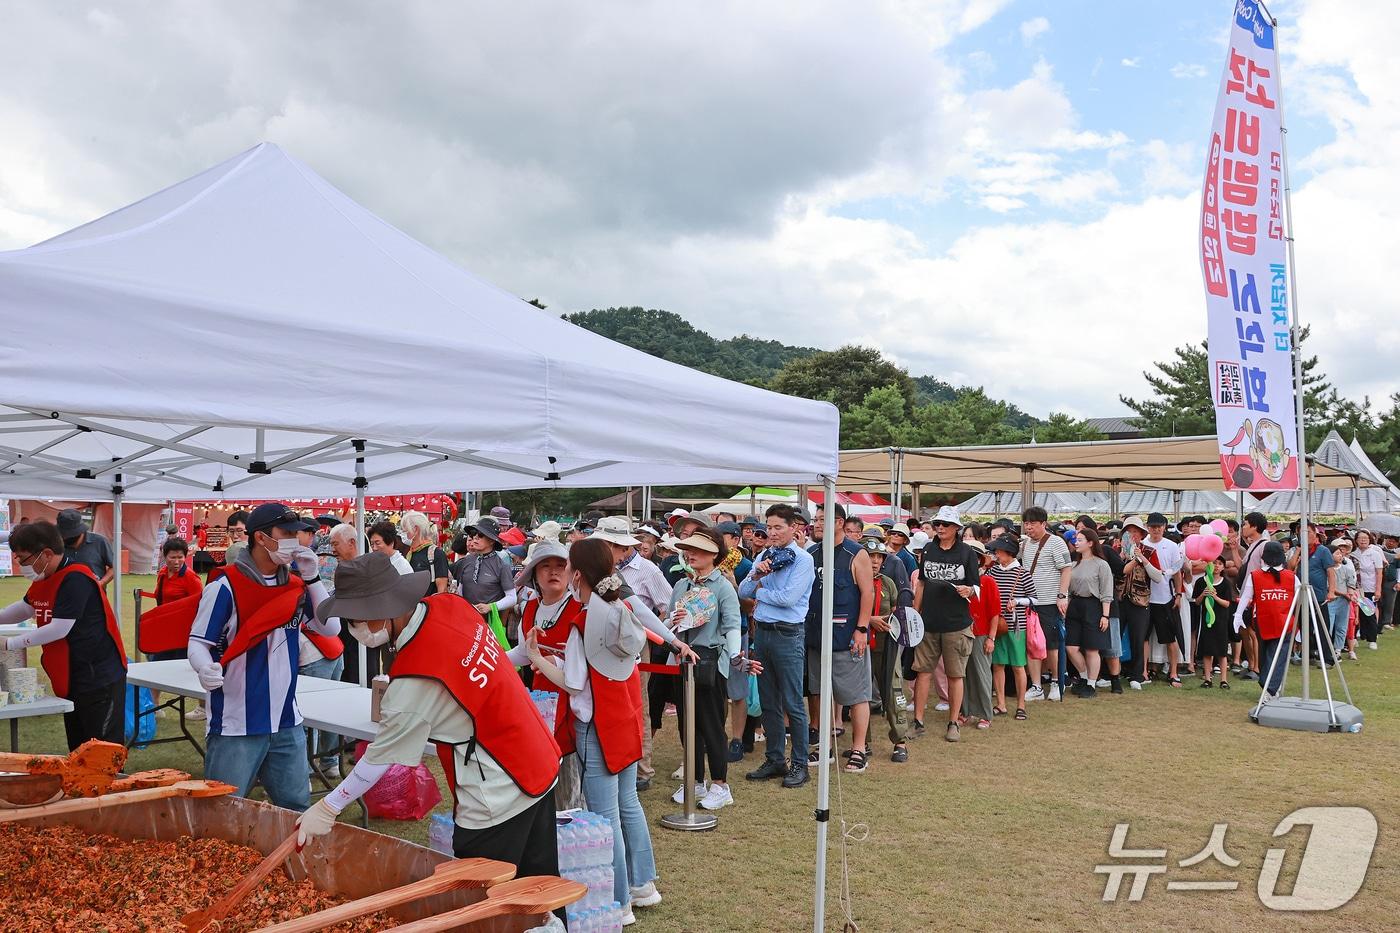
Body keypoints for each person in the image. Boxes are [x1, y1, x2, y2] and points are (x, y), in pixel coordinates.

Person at [296, 553, 562, 885]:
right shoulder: (452, 605)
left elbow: (380, 757)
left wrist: (329, 806)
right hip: (537, 758)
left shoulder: (415, 679)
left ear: (382, 611)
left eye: (355, 620)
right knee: (538, 885)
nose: (354, 630)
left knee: (482, 900)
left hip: (499, 787)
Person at [525, 538, 661, 921]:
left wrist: (536, 656)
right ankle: (642, 884)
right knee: (627, 803)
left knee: (605, 815)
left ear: (578, 574)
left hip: (596, 724)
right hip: (626, 717)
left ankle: (620, 901)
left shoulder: (583, 621)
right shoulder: (620, 607)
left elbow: (572, 682)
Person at [188, 504, 337, 808]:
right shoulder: (225, 586)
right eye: (287, 534)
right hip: (236, 723)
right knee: (222, 810)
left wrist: (312, 578)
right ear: (261, 538)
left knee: (295, 809)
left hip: (286, 719)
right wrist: (204, 667)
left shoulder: (295, 585)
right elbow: (197, 642)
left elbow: (330, 627)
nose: (295, 541)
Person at [2, 520, 128, 748]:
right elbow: (26, 607)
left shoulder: (76, 578)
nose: (19, 564)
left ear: (46, 554)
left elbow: (59, 628)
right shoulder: (45, 578)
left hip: (98, 676)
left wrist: (9, 643)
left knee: (101, 749)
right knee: (79, 746)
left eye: (23, 558)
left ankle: (109, 783)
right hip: (72, 675)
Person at [740, 504, 816, 789]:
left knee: (793, 702)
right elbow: (742, 591)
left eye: (777, 527)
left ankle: (799, 763)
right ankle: (775, 759)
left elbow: (788, 598)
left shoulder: (802, 559)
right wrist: (756, 577)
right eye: (768, 527)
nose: (771, 533)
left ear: (794, 528)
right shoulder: (763, 555)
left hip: (788, 634)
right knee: (768, 700)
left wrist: (761, 590)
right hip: (764, 633)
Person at [666, 528, 742, 807]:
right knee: (688, 726)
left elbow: (733, 624)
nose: (691, 554)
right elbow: (667, 627)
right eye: (689, 549)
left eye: (698, 549)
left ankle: (721, 785)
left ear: (714, 555)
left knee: (711, 725)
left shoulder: (722, 587)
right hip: (680, 661)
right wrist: (674, 620)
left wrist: (735, 655)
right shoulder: (681, 586)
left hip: (710, 662)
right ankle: (695, 782)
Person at [806, 505, 875, 770]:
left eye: (824, 519)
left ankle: (858, 749)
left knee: (856, 694)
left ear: (840, 522)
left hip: (847, 635)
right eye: (816, 519)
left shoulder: (855, 553)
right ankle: (824, 746)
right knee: (819, 692)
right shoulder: (811, 553)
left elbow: (867, 593)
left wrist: (861, 629)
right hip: (816, 634)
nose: (818, 524)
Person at [911, 505, 980, 742]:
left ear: (957, 528)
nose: (940, 527)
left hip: (957, 624)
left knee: (955, 675)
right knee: (922, 672)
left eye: (945, 524)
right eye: (938, 523)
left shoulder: (967, 553)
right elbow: (921, 583)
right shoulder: (928, 549)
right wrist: (915, 613)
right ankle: (918, 721)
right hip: (928, 623)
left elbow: (976, 587)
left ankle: (953, 722)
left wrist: (969, 590)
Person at [1019, 506, 1072, 701]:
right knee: (1031, 644)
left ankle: (1057, 682)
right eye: (1026, 523)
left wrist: (1062, 595)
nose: (1028, 527)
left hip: (1050, 601)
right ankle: (1036, 685)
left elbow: (1066, 569)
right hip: (1030, 602)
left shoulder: (1056, 542)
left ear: (1043, 523)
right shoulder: (1024, 545)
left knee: (1051, 645)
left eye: (1032, 523)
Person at [863, 539, 909, 762]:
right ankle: (863, 743)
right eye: (871, 556)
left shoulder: (888, 583)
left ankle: (900, 741)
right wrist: (869, 620)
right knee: (861, 695)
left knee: (894, 692)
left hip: (887, 646)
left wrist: (892, 618)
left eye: (879, 557)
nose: (875, 561)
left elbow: (896, 611)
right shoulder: (855, 580)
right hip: (860, 646)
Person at [1234, 541, 1297, 702]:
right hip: (1265, 623)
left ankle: (1270, 689)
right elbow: (1246, 596)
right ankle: (1271, 687)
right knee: (1265, 657)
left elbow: (1299, 600)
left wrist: (1239, 614)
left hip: (1280, 624)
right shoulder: (1256, 576)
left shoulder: (1290, 577)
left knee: (1276, 655)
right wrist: (1238, 615)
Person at [1064, 527, 1113, 698]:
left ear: (1091, 543)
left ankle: (1091, 684)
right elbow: (1068, 590)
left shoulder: (1101, 564)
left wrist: (1105, 615)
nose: (1076, 542)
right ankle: (1084, 677)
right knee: (1071, 647)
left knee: (1092, 648)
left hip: (1094, 606)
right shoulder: (1073, 564)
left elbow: (1107, 592)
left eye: (1081, 539)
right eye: (1076, 539)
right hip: (1075, 605)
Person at [987, 536, 1031, 720]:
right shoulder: (992, 572)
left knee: (1018, 666)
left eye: (999, 551)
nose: (996, 554)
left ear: (1009, 552)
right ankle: (1001, 704)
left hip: (1016, 626)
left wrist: (1018, 601)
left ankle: (1021, 705)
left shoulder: (1022, 573)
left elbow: (1033, 598)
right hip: (997, 625)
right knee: (998, 665)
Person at [1140, 512, 1184, 687]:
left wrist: (1178, 594)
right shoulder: (1142, 546)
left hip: (1165, 598)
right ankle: (1143, 671)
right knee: (1143, 637)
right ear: (1147, 527)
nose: (1156, 529)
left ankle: (1173, 672)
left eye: (1159, 526)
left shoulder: (1172, 546)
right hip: (1143, 599)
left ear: (1164, 527)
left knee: (1169, 638)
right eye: (1152, 526)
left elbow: (1177, 572)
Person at [453, 517, 519, 633]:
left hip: (490, 627)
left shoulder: (502, 566)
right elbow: (460, 591)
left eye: (481, 535)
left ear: (492, 540)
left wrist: (490, 607)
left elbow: (512, 598)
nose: (475, 538)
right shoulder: (466, 561)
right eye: (474, 534)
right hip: (465, 623)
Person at [962, 539, 1000, 728]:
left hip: (981, 634)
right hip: (960, 632)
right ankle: (965, 711)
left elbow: (995, 613)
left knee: (982, 674)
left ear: (978, 560)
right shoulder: (960, 582)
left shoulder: (987, 581)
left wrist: (991, 638)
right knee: (962, 674)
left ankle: (985, 714)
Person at [1193, 555, 1237, 689]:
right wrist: (1203, 594)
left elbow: (1227, 604)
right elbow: (1197, 602)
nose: (1216, 566)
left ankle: (1224, 680)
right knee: (1207, 650)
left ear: (1223, 567)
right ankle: (1207, 678)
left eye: (1219, 564)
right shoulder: (1202, 581)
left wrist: (1215, 597)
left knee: (1222, 651)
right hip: (1206, 621)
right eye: (1214, 563)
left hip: (1221, 621)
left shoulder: (1226, 583)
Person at [55, 508, 115, 589]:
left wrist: (101, 583)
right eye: (63, 535)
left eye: (70, 535)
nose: (65, 538)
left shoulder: (100, 541)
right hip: (64, 595)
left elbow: (114, 567)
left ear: (81, 531)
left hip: (94, 597)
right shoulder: (56, 544)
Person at [400, 511, 449, 597]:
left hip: (429, 607)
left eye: (405, 530)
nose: (402, 535)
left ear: (415, 529)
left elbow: (442, 590)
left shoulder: (436, 554)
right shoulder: (409, 553)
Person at [1353, 530, 1386, 651]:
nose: (1363, 540)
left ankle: (1372, 639)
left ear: (1369, 540)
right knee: (1357, 613)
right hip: (1356, 588)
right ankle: (1356, 636)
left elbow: (1379, 573)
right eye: (1360, 538)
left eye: (1365, 538)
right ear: (1356, 540)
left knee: (1369, 612)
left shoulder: (1374, 553)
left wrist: (1378, 589)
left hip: (1370, 587)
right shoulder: (1353, 554)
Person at [1328, 537, 1358, 659]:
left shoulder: (1347, 569)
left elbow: (1351, 584)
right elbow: (1329, 586)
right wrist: (1344, 594)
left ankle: (1338, 649)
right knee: (1329, 625)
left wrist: (1350, 594)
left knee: (1342, 626)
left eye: (1341, 553)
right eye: (1337, 553)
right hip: (1331, 601)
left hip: (1344, 602)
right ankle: (1327, 648)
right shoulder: (1327, 570)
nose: (1340, 555)